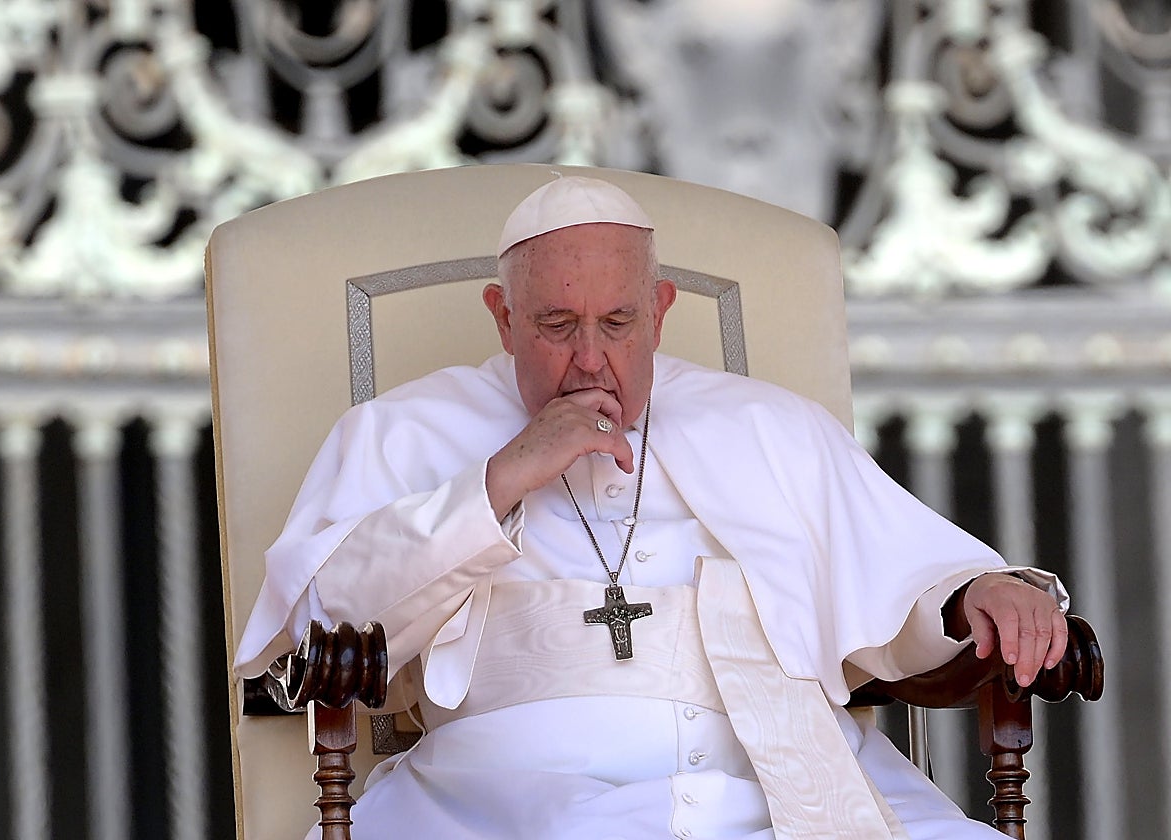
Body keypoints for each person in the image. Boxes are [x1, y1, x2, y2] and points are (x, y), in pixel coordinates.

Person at [235, 175, 1069, 839]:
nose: (590, 359)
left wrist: (977, 592)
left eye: (618, 321)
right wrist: (499, 480)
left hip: (778, 787)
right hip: (507, 800)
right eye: (556, 324)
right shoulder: (400, 431)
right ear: (503, 317)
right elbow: (322, 620)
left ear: (661, 312)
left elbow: (906, 575)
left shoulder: (769, 426)